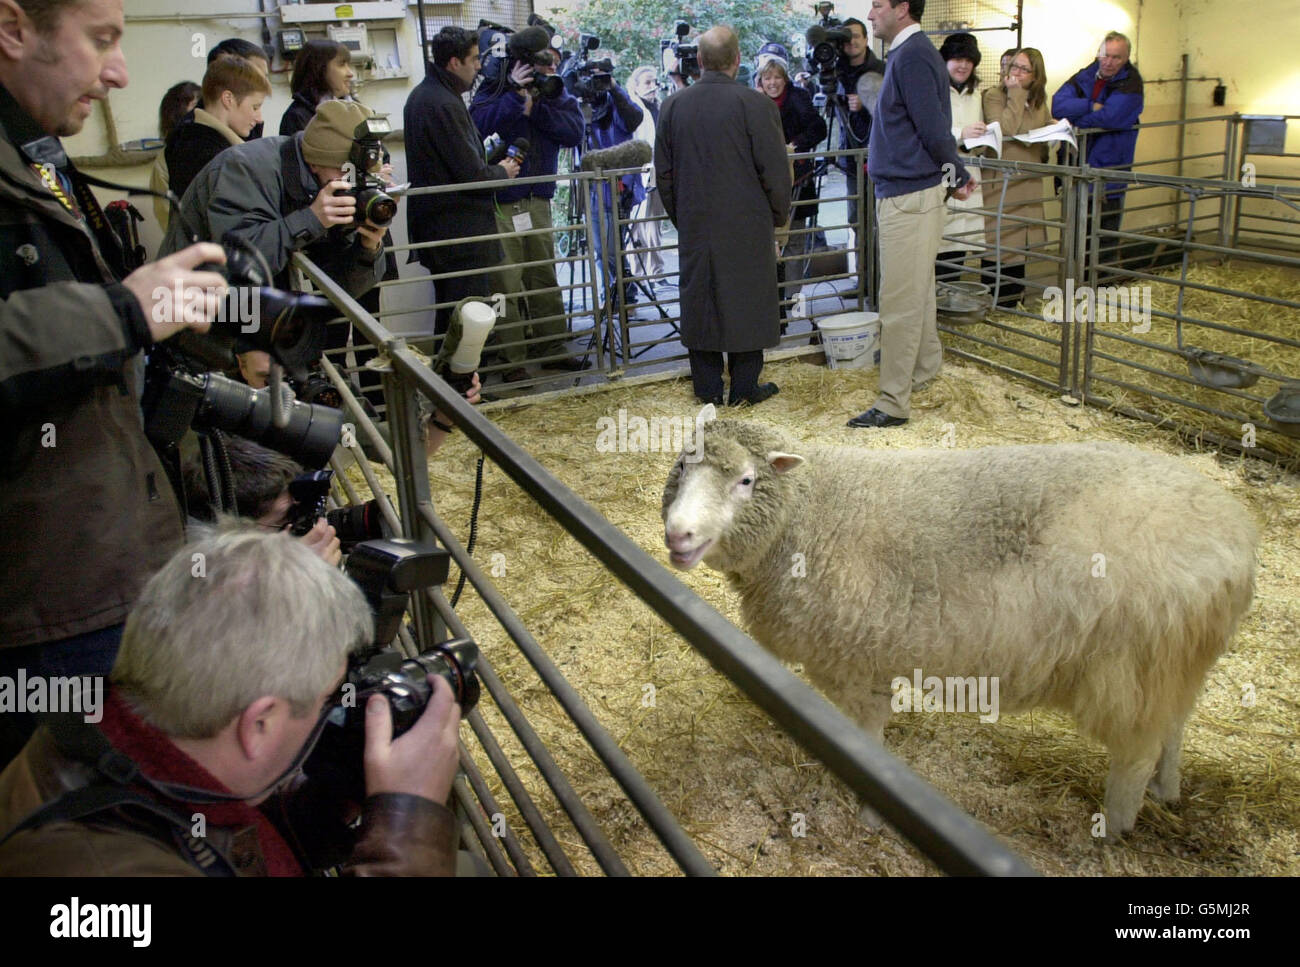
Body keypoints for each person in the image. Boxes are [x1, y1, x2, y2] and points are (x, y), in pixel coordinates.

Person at [0, 0, 227, 764]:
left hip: (98, 563)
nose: (119, 71)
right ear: (12, 27)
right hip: (44, 601)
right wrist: (124, 312)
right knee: (79, 822)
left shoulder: (34, 150)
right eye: (100, 40)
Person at [0, 527, 466, 876]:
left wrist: (329, 800)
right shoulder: (106, 872)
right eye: (327, 699)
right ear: (258, 723)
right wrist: (409, 826)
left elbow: (225, 834)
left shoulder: (97, 729)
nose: (332, 711)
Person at [849, 0, 976, 430]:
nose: (870, 15)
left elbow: (933, 127)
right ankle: (924, 371)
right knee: (917, 290)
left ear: (903, 8)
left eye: (878, 5)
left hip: (910, 195)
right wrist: (952, 174)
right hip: (907, 191)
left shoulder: (915, 55)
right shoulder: (910, 55)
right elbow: (926, 126)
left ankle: (893, 402)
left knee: (899, 301)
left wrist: (955, 173)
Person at [655, 25, 791, 407]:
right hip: (748, 223)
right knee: (748, 298)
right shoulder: (757, 104)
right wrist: (777, 216)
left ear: (699, 61)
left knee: (701, 299)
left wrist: (682, 216)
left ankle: (708, 388)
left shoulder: (673, 106)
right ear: (738, 60)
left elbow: (663, 173)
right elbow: (775, 172)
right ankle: (745, 387)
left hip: (697, 222)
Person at [160, 98, 388, 299]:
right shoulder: (245, 169)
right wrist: (311, 219)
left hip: (259, 313)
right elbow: (237, 264)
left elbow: (341, 290)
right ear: (315, 161)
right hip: (193, 310)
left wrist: (367, 249)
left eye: (360, 174)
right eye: (345, 170)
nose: (351, 181)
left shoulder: (322, 185)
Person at [471, 47, 587, 379]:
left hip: (539, 198)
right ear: (521, 64)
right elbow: (477, 127)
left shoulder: (555, 91)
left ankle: (551, 347)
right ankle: (512, 360)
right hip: (503, 200)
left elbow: (573, 132)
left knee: (544, 277)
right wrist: (512, 94)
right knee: (505, 282)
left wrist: (536, 109)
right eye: (540, 64)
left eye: (552, 62)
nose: (549, 68)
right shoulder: (494, 89)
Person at [405, 26, 520, 342]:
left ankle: (457, 386)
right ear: (454, 63)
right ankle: (465, 387)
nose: (480, 66)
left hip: (444, 231)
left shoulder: (426, 96)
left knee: (454, 316)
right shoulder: (443, 103)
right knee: (468, 317)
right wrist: (502, 171)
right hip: (459, 234)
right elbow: (471, 175)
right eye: (473, 59)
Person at [1051, 31, 1144, 267]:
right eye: (1106, 55)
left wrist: (1075, 121)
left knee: (1102, 238)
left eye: (1116, 57)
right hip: (1076, 168)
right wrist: (1091, 105)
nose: (1109, 62)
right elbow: (1057, 104)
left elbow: (1112, 116)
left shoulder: (1131, 83)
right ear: (1098, 53)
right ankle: (1073, 289)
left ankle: (1102, 292)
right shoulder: (1085, 75)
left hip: (1107, 174)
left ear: (1126, 58)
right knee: (1073, 236)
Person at [755, 47, 826, 328]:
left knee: (794, 243)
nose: (772, 83)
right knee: (767, 245)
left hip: (798, 182)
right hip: (763, 187)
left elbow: (818, 128)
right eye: (767, 78)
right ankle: (771, 308)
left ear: (785, 79)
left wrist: (793, 147)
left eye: (777, 77)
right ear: (760, 81)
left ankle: (793, 302)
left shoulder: (799, 99)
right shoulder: (754, 101)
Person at [982, 47, 1051, 306]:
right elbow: (1006, 129)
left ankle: (1014, 303)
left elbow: (1037, 133)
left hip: (1028, 180)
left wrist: (1055, 128)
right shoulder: (994, 96)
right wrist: (1015, 93)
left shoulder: (1039, 100)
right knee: (999, 242)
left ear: (1036, 76)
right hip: (1002, 181)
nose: (1018, 73)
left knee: (1020, 247)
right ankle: (994, 304)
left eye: (1024, 69)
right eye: (1014, 67)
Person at [579, 57, 644, 312]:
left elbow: (633, 119)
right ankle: (615, 293)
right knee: (601, 249)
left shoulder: (617, 101)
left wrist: (614, 88)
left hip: (618, 186)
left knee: (610, 247)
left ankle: (623, 293)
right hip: (592, 186)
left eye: (601, 77)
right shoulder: (582, 106)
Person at [165, 55, 269, 204]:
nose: (259, 118)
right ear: (228, 99)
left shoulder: (200, 140)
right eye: (255, 107)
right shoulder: (204, 154)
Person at [935, 32, 986, 283]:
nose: (963, 65)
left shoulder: (977, 92)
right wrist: (960, 134)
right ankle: (938, 300)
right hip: (944, 165)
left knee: (963, 239)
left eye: (968, 60)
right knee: (944, 237)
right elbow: (929, 129)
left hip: (972, 168)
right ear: (945, 60)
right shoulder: (935, 88)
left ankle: (951, 297)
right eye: (957, 58)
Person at [832, 18, 885, 234]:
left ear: (865, 39)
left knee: (878, 217)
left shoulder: (882, 69)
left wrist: (866, 104)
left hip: (879, 154)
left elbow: (894, 108)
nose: (851, 41)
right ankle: (861, 266)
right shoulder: (836, 72)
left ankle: (879, 267)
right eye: (846, 37)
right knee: (856, 218)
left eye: (856, 36)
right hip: (850, 156)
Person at [626, 65, 666, 293]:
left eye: (654, 82)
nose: (652, 87)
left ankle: (656, 271)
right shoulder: (635, 108)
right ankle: (639, 273)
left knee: (655, 224)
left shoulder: (659, 106)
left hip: (660, 170)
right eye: (647, 83)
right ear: (636, 86)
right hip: (642, 171)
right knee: (639, 225)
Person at [280, 38, 354, 137]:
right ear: (319, 69)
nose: (350, 73)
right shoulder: (296, 117)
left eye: (348, 65)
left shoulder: (355, 107)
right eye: (341, 65)